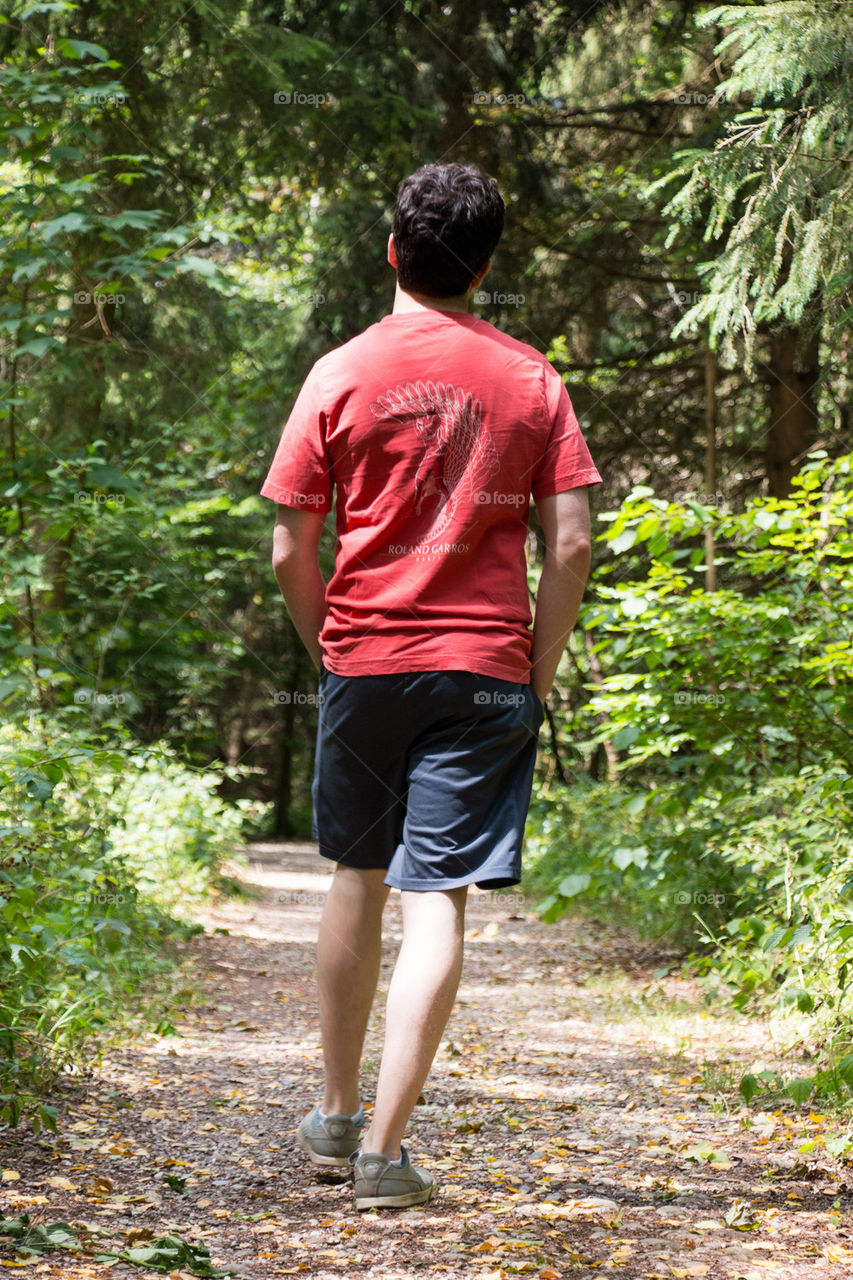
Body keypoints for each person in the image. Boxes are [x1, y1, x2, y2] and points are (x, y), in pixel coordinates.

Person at [261, 162, 601, 1211]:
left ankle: (334, 1113)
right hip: (484, 669)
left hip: (365, 658)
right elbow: (572, 541)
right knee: (436, 895)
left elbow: (288, 546)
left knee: (357, 874)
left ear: (394, 251)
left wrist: (333, 646)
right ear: (487, 266)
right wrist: (533, 669)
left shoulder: (339, 371)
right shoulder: (533, 378)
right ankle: (387, 1155)